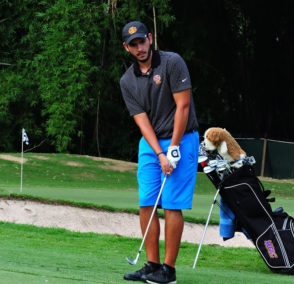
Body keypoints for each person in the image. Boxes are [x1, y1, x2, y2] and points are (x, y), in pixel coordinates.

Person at [120, 21, 199, 284]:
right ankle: (152, 265)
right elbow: (142, 121)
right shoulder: (127, 81)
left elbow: (183, 107)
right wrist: (160, 153)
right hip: (151, 143)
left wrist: (173, 148)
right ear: (127, 48)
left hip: (182, 138)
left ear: (150, 39)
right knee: (147, 203)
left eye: (142, 41)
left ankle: (169, 270)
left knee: (173, 204)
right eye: (134, 45)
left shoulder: (172, 63)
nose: (140, 47)